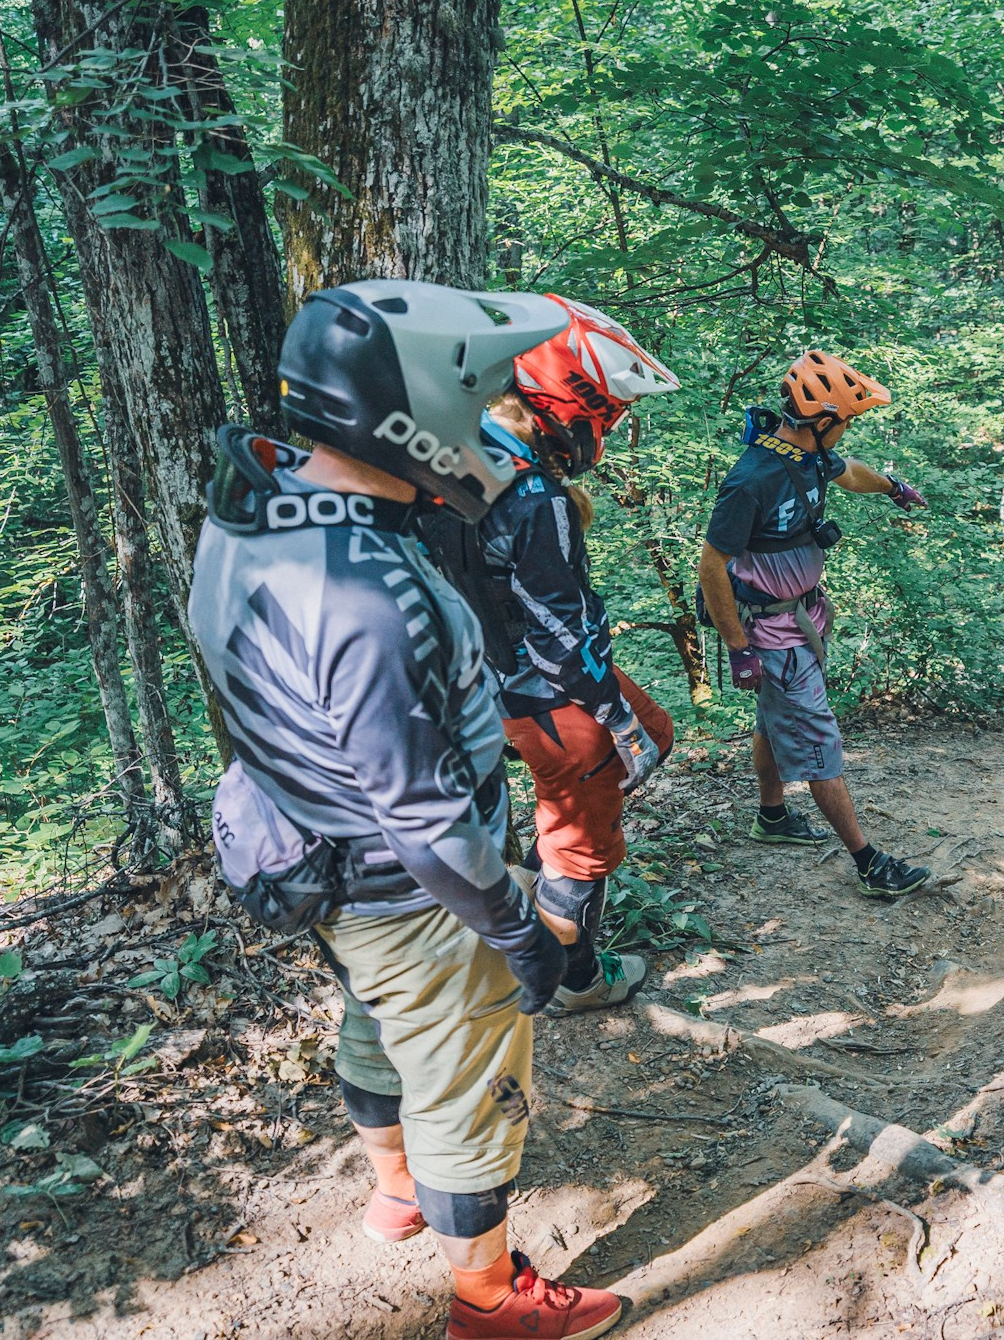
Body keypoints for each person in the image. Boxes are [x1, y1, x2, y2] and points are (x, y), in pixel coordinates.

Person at [194, 280, 625, 1340]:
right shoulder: (365, 591)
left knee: (378, 1020)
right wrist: (516, 930)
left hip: (303, 840)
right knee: (469, 1069)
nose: (487, 420)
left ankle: (393, 1192)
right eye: (472, 395)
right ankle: (489, 1298)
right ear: (412, 411)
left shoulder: (260, 505)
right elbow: (425, 815)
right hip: (400, 880)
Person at [418, 295, 682, 1012]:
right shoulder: (535, 498)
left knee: (654, 732)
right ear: (569, 398)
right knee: (585, 833)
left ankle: (539, 878)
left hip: (495, 679)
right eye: (608, 411)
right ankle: (576, 978)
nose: (610, 428)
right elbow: (564, 642)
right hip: (551, 692)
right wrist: (614, 718)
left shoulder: (448, 463)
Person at [695, 351, 933, 899]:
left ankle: (773, 816)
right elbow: (710, 565)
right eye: (846, 420)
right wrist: (737, 648)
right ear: (822, 421)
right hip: (769, 633)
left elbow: (849, 474)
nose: (848, 430)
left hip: (799, 618)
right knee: (817, 739)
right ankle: (869, 863)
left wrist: (893, 487)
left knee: (772, 719)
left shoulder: (809, 457)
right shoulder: (749, 480)